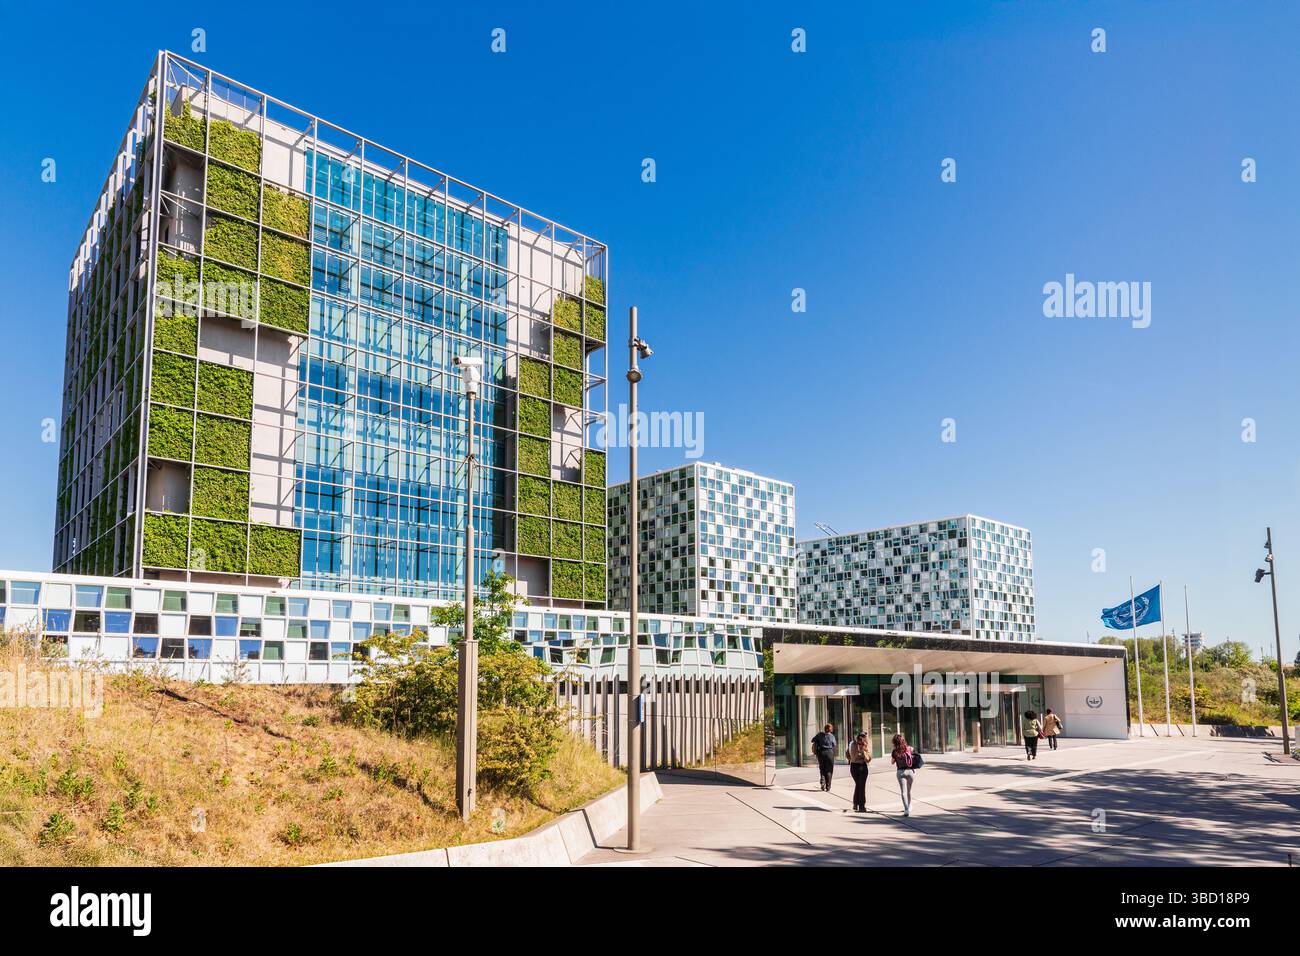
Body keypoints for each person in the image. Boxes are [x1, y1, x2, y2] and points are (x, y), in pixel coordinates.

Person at [889, 733, 917, 816]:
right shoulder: (909, 748)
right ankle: (910, 805)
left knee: (903, 792)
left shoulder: (895, 751)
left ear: (894, 742)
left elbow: (892, 762)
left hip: (901, 772)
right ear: (903, 741)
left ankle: (906, 809)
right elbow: (914, 755)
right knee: (909, 790)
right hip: (910, 772)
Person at [847, 731, 871, 811]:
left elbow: (847, 754)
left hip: (853, 766)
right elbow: (868, 759)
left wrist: (853, 758)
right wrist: (863, 751)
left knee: (858, 785)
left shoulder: (851, 744)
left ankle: (855, 803)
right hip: (861, 767)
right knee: (861, 786)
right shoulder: (863, 746)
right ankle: (861, 806)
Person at [810, 723, 837, 791]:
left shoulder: (819, 735)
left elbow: (812, 740)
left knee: (822, 768)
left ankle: (822, 782)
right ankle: (828, 786)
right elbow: (834, 744)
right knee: (829, 770)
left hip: (821, 753)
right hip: (829, 753)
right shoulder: (832, 736)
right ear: (829, 729)